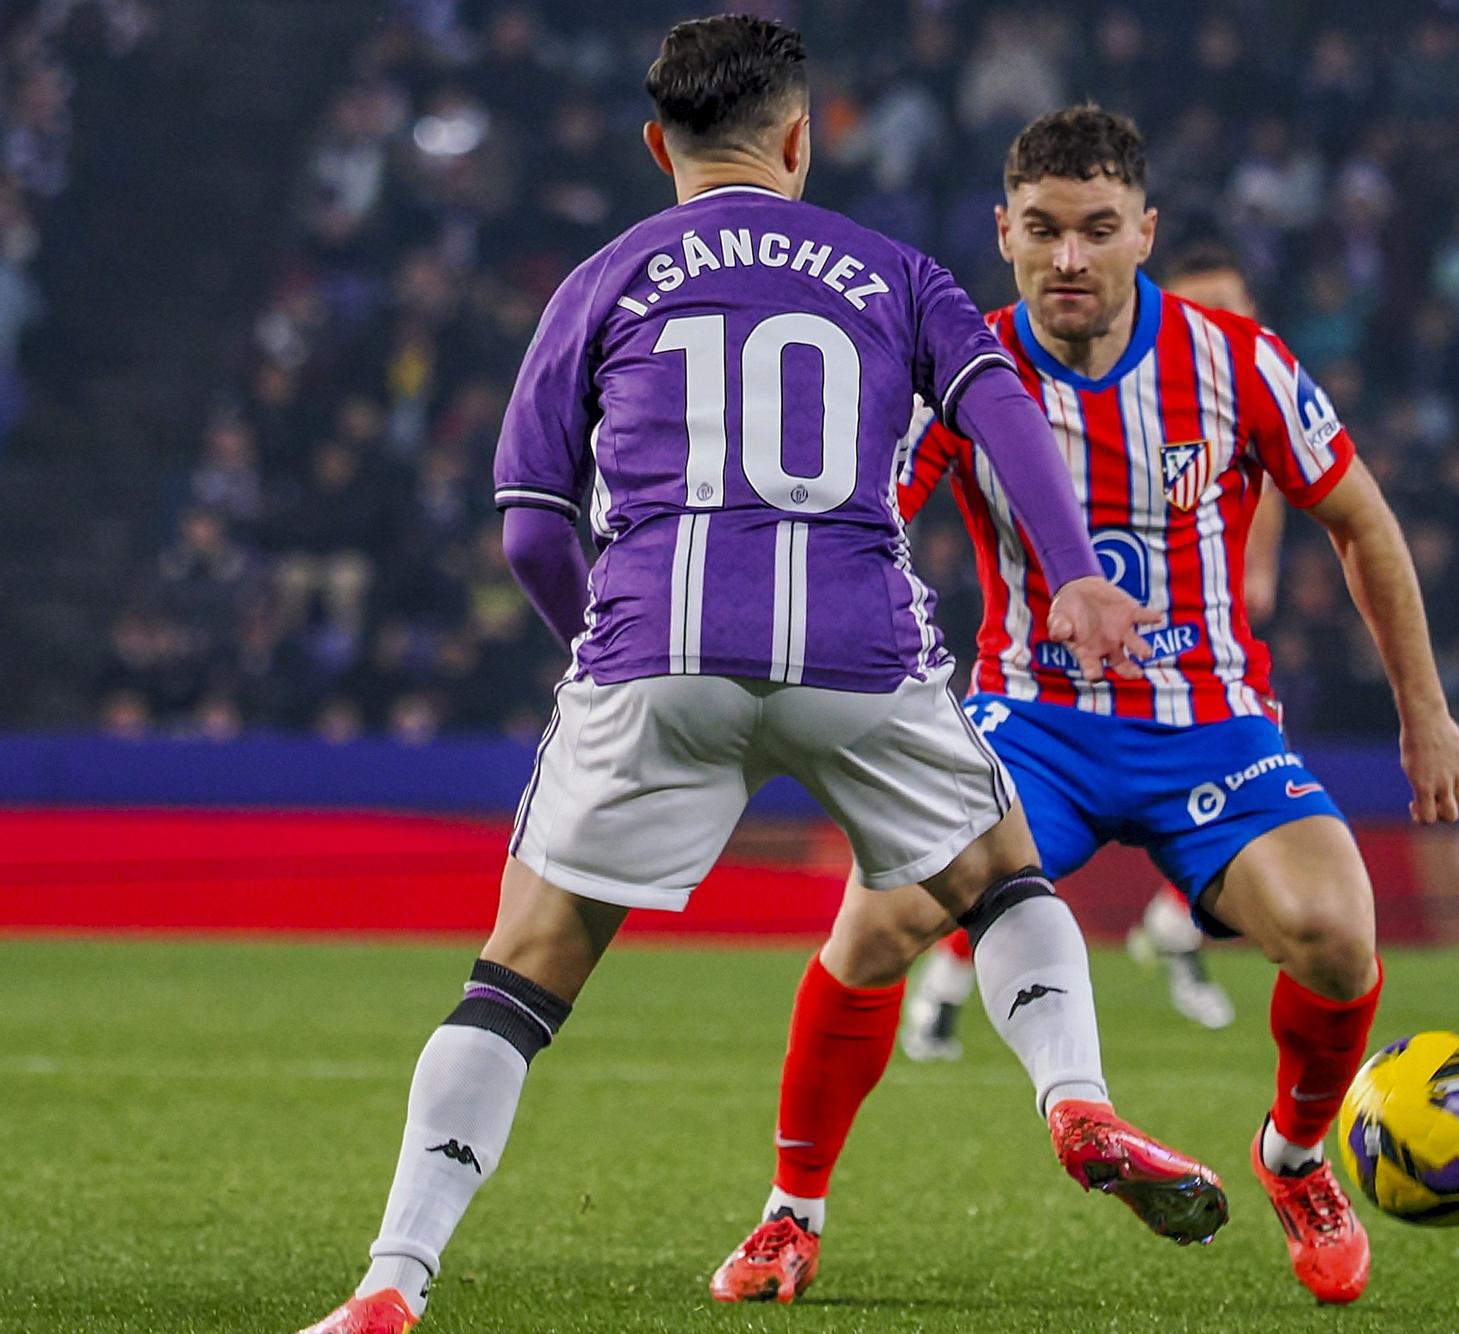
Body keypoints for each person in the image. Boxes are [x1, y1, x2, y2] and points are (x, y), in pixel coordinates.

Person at [299, 25, 1220, 1334]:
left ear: (655, 143)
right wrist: (1072, 572)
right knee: (1002, 879)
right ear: (802, 138)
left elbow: (526, 522)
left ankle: (394, 1280)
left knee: (520, 972)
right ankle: (1073, 1094)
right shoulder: (891, 270)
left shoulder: (603, 277)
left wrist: (595, 648)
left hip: (657, 645)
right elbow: (999, 402)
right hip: (859, 646)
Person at [711, 106, 1459, 1309]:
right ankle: (787, 1216)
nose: (1070, 257)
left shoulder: (1237, 360)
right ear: (1003, 233)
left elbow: (1361, 521)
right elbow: (861, 528)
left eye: (1099, 230)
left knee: (1337, 932)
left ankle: (1294, 1160)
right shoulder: (960, 374)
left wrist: (1423, 711)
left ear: (1143, 234)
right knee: (869, 929)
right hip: (1033, 729)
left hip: (1210, 726)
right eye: (1045, 230)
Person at [899, 240, 1279, 1053]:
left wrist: (1259, 573)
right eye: (1209, 307)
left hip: (1189, 671)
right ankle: (946, 979)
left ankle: (1177, 928)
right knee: (997, 861)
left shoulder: (1236, 391)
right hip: (1052, 678)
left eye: (1236, 310)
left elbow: (1268, 481)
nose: (1226, 325)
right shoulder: (1058, 398)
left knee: (1276, 840)